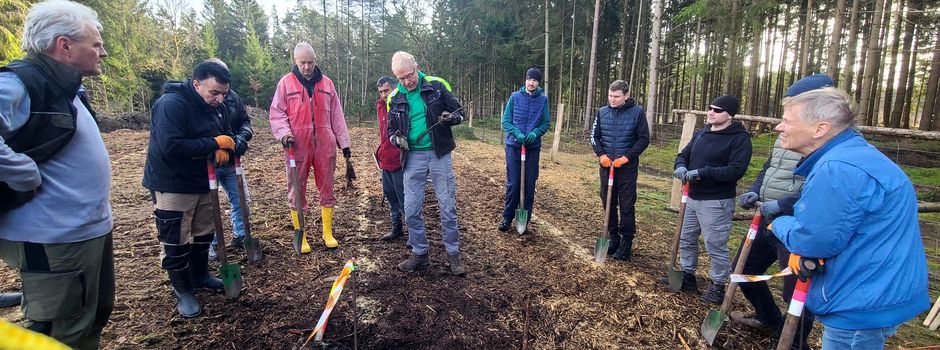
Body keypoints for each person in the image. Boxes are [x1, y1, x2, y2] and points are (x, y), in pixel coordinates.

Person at [771, 88, 929, 349]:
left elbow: (813, 241)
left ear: (820, 128)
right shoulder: (855, 155)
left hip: (862, 299)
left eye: (787, 120)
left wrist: (779, 222)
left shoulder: (837, 169)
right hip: (877, 288)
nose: (779, 127)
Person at [0, 1, 114, 348]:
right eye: (95, 44)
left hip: (84, 230)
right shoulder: (20, 83)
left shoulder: (63, 86)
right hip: (54, 236)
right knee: (61, 332)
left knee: (91, 318)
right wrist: (22, 172)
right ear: (64, 46)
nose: (103, 52)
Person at [731, 74, 833, 348]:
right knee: (744, 269)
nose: (782, 121)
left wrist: (785, 204)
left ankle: (793, 343)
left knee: (797, 293)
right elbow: (770, 167)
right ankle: (769, 319)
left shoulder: (830, 143)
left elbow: (823, 190)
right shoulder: (789, 133)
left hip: (798, 225)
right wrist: (757, 189)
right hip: (766, 217)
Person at [143, 61, 233, 318]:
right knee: (176, 237)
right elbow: (171, 146)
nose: (220, 98)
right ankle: (182, 290)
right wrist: (212, 143)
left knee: (203, 232)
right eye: (214, 92)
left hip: (203, 180)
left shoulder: (213, 107)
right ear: (196, 84)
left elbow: (222, 133)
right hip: (173, 182)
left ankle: (201, 275)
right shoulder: (171, 105)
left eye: (224, 93)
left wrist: (220, 147)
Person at [386, 51, 466, 275]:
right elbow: (391, 130)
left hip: (439, 153)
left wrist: (451, 118)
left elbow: (460, 113)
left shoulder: (437, 86)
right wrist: (396, 139)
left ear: (417, 68)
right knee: (411, 208)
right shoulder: (395, 97)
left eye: (409, 76)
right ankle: (420, 253)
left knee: (447, 206)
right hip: (412, 157)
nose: (406, 82)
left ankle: (453, 254)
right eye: (400, 79)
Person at [670, 95, 752, 304]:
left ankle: (718, 285)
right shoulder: (701, 133)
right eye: (710, 108)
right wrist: (680, 166)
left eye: (716, 110)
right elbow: (683, 155)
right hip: (692, 198)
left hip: (716, 201)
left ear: (729, 115)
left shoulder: (739, 139)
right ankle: (688, 275)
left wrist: (703, 173)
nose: (711, 112)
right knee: (686, 238)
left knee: (715, 244)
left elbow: (735, 170)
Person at [269, 42, 351, 251]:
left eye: (310, 62)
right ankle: (302, 234)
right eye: (303, 63)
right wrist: (284, 134)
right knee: (297, 189)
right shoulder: (286, 84)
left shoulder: (327, 84)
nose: (307, 67)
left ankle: (327, 232)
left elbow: (337, 115)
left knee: (327, 187)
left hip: (325, 143)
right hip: (296, 144)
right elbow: (277, 113)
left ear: (315, 61)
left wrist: (345, 144)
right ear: (295, 62)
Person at [589, 80, 650, 260]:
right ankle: (613, 237)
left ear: (626, 96)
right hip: (607, 166)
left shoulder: (637, 113)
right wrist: (601, 155)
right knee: (607, 200)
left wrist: (627, 157)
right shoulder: (602, 112)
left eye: (616, 96)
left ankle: (626, 242)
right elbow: (594, 136)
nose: (612, 99)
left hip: (626, 169)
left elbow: (644, 139)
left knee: (626, 204)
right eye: (610, 96)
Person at [206, 59, 252, 260]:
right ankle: (213, 244)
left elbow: (245, 122)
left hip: (233, 161)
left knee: (241, 198)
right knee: (209, 205)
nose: (221, 96)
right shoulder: (200, 100)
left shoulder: (233, 99)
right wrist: (212, 147)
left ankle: (241, 236)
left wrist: (241, 138)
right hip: (208, 164)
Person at [498, 67, 551, 234]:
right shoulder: (515, 97)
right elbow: (506, 121)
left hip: (532, 148)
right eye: (529, 79)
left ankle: (525, 219)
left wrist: (535, 133)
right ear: (525, 80)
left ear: (538, 83)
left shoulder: (543, 100)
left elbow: (546, 123)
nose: (531, 82)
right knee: (513, 183)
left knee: (529, 184)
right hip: (514, 146)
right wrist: (516, 133)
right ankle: (507, 216)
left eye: (535, 80)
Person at [374, 76, 406, 241]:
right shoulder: (380, 107)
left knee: (404, 198)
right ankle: (396, 228)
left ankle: (413, 234)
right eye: (381, 92)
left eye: (386, 90)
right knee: (390, 195)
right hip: (385, 159)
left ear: (394, 88)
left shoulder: (401, 105)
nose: (384, 95)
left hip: (400, 159)